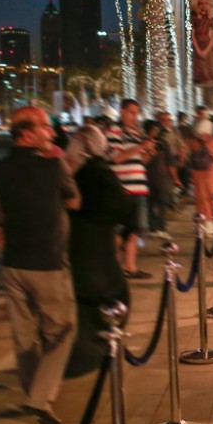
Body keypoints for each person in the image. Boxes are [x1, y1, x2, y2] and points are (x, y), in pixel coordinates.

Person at [0, 106, 80, 424]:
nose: (52, 133)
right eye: (44, 127)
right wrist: (58, 164)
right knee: (62, 331)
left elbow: (2, 207)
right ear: (27, 134)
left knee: (24, 335)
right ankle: (39, 398)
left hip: (12, 262)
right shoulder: (53, 166)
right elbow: (73, 200)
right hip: (47, 262)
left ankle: (33, 393)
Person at [63, 124, 137, 376]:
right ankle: (92, 352)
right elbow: (124, 206)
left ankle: (88, 353)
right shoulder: (95, 170)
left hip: (84, 242)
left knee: (89, 297)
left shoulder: (82, 170)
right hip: (94, 244)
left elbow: (121, 205)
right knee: (102, 296)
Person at [105, 99, 154, 279]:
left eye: (136, 112)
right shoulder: (114, 131)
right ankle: (110, 265)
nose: (134, 116)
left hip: (139, 186)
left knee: (135, 230)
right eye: (131, 112)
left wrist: (147, 152)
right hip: (123, 188)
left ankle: (130, 267)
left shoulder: (136, 133)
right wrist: (141, 147)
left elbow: (141, 162)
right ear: (122, 111)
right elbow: (115, 158)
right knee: (119, 231)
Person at [188, 119, 213, 229]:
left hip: (197, 174)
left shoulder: (193, 142)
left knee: (202, 199)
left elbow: (189, 158)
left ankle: (205, 223)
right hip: (212, 172)